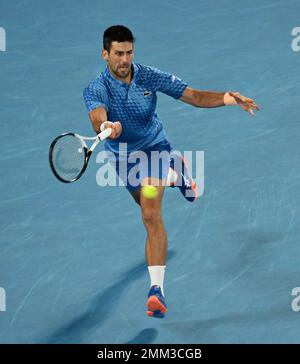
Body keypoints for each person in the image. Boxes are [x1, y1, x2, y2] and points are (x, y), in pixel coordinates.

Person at [83, 25, 260, 318]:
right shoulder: (95, 88)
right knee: (144, 201)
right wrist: (105, 126)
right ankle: (178, 174)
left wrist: (228, 98)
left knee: (150, 213)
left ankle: (156, 291)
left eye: (128, 52)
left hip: (154, 149)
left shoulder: (148, 75)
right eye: (118, 54)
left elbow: (192, 95)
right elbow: (96, 115)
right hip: (123, 160)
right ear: (105, 54)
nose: (124, 59)